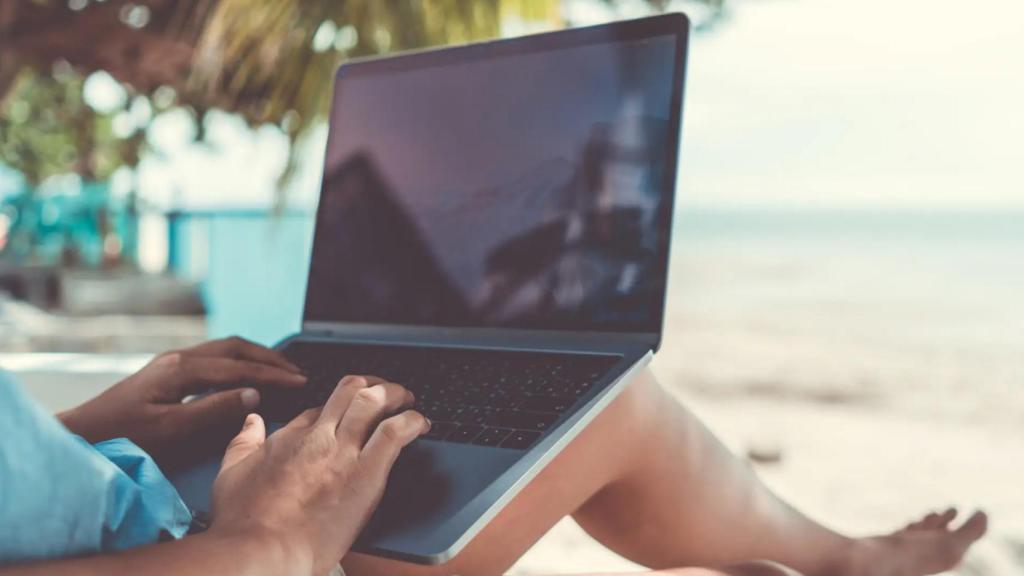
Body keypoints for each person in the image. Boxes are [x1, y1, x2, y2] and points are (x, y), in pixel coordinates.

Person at [0, 337, 987, 576]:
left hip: (122, 501)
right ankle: (845, 559)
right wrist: (268, 543)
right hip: (186, 552)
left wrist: (76, 427)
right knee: (614, 402)